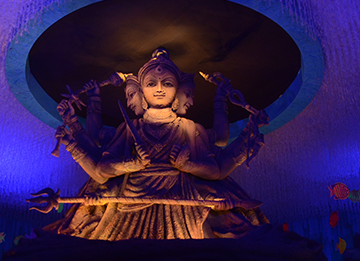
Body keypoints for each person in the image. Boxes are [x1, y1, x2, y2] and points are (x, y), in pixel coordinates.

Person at [45, 48, 268, 240]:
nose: (159, 88)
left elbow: (214, 171)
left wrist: (187, 166)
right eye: (151, 83)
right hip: (130, 202)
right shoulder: (130, 128)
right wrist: (132, 164)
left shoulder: (189, 128)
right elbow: (102, 171)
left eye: (167, 83)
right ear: (141, 92)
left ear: (178, 91)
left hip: (182, 203)